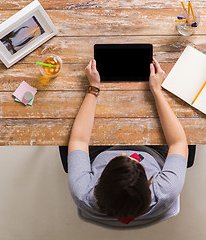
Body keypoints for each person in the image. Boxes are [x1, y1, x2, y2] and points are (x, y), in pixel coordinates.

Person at [67, 58, 188, 228]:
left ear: (98, 182)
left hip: (99, 154)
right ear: (149, 184)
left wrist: (93, 88)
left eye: (119, 158)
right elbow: (178, 142)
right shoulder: (166, 190)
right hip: (155, 154)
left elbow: (79, 140)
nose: (124, 153)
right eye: (132, 160)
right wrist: (156, 90)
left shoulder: (83, 192)